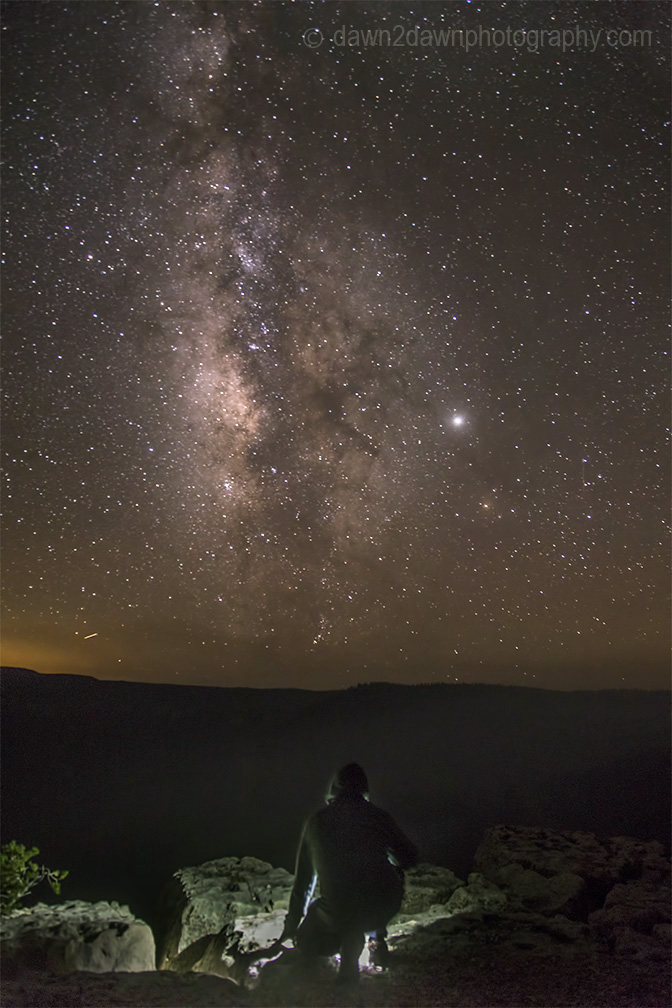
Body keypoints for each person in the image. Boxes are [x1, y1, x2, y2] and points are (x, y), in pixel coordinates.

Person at [281, 762, 418, 983]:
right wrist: (382, 852)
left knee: (309, 936)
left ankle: (347, 944)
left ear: (334, 790)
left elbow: (304, 883)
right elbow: (409, 857)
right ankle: (376, 942)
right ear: (364, 789)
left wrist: (291, 926)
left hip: (336, 912)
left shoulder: (316, 822)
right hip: (379, 909)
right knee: (387, 876)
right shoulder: (378, 817)